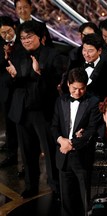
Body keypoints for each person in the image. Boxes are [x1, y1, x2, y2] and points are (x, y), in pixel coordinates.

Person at [6, 21, 62, 198]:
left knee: (50, 150)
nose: (26, 41)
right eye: (22, 38)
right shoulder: (17, 54)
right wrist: (14, 77)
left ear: (41, 37)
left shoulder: (52, 54)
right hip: (22, 110)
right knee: (27, 151)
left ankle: (55, 185)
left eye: (29, 37)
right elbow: (13, 83)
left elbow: (56, 83)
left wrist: (40, 73)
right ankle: (31, 186)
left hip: (43, 110)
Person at [51, 67, 101, 216]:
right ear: (68, 84)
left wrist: (71, 143)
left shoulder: (93, 102)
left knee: (86, 200)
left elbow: (92, 129)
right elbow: (53, 126)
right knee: (66, 202)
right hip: (63, 157)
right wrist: (62, 141)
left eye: (82, 89)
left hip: (82, 157)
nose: (78, 92)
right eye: (74, 88)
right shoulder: (61, 100)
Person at [0, 16, 21, 168]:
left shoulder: (23, 40)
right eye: (2, 33)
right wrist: (5, 57)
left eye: (8, 31)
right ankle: (11, 156)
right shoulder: (1, 44)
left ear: (14, 27)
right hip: (7, 91)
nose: (6, 35)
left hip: (22, 89)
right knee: (9, 125)